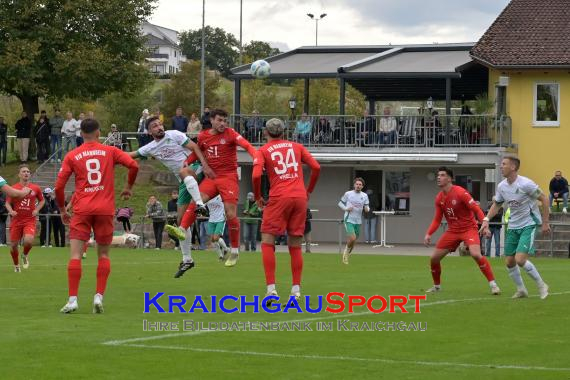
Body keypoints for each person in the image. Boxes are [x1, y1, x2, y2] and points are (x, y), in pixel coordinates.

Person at [55, 118, 139, 314]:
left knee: (76, 255)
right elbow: (134, 165)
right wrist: (128, 187)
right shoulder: (110, 151)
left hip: (82, 209)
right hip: (104, 209)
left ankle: (73, 300)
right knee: (103, 254)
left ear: (81, 133)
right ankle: (98, 296)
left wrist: (62, 209)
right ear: (99, 132)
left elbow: (59, 187)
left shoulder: (73, 155)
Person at [171, 109, 257, 268]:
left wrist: (255, 155)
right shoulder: (203, 136)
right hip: (212, 178)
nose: (223, 123)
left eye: (225, 120)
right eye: (220, 120)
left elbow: (246, 145)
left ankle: (235, 251)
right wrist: (188, 160)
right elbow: (198, 152)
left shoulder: (230, 133)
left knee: (230, 213)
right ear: (212, 120)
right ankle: (182, 229)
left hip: (228, 177)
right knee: (197, 201)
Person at [129, 116, 212, 277]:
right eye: (154, 126)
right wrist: (109, 155)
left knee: (183, 172)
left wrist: (205, 165)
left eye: (160, 124)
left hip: (195, 168)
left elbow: (194, 146)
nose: (159, 127)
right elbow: (131, 154)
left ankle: (201, 205)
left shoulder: (173, 134)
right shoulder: (150, 147)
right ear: (149, 131)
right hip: (184, 181)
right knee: (181, 224)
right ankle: (187, 259)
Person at [252, 118, 320, 302]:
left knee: (267, 241)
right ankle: (296, 290)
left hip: (279, 197)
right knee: (295, 245)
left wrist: (258, 196)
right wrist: (309, 191)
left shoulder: (263, 150)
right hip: (299, 198)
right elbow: (316, 167)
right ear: (284, 132)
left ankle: (271, 289)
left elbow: (257, 175)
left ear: (265, 132)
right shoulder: (296, 146)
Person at [480, 157, 550, 299]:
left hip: (529, 224)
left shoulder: (526, 184)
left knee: (520, 259)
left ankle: (541, 284)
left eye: (504, 164)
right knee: (509, 261)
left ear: (513, 167)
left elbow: (544, 199)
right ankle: (521, 290)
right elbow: (497, 204)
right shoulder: (502, 186)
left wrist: (545, 222)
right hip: (513, 226)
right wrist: (486, 219)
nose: (501, 166)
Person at [424, 167, 500, 295]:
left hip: (468, 229)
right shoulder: (439, 198)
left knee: (476, 254)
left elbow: (476, 209)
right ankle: (437, 287)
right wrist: (428, 233)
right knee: (434, 259)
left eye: (442, 175)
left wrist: (485, 224)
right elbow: (437, 220)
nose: (438, 177)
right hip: (453, 231)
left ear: (449, 178)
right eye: (438, 175)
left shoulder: (460, 192)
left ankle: (493, 285)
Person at [5, 165, 45, 272]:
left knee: (28, 241)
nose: (26, 173)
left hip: (29, 219)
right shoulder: (13, 188)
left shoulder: (35, 188)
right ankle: (16, 265)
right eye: (23, 171)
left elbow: (42, 201)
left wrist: (37, 210)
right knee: (13, 245)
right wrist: (11, 211)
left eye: (28, 171)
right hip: (17, 220)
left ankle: (25, 255)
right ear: (19, 174)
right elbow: (7, 203)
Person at [338, 178, 370, 264]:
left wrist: (367, 209)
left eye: (360, 185)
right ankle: (345, 253)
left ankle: (347, 253)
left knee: (354, 240)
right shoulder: (348, 194)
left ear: (362, 186)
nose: (358, 186)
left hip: (358, 220)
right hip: (348, 218)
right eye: (357, 184)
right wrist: (346, 208)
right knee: (352, 238)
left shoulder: (364, 196)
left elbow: (367, 207)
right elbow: (340, 203)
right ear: (354, 185)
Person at [206, 195, 229, 260]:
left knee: (216, 238)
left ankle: (226, 249)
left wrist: (226, 213)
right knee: (212, 240)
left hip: (220, 219)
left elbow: (227, 203)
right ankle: (220, 256)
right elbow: (201, 204)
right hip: (211, 220)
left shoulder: (221, 195)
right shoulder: (207, 197)